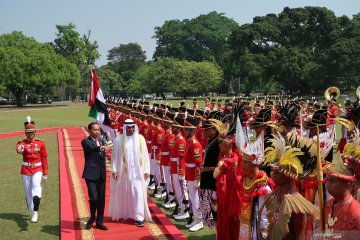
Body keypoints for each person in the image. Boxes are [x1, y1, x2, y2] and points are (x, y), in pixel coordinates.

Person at [109, 119, 152, 227]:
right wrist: (114, 170)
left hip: (138, 172)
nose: (131, 129)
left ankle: (139, 217)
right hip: (123, 171)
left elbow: (145, 155)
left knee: (137, 193)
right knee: (124, 192)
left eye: (133, 127)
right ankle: (126, 214)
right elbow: (114, 157)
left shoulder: (140, 139)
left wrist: (146, 170)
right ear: (124, 128)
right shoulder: (119, 139)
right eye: (128, 127)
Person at [16, 116, 48, 223]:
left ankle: (36, 208)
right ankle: (32, 208)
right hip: (26, 169)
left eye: (32, 132)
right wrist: (20, 149)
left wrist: (45, 172)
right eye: (28, 132)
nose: (30, 134)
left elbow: (44, 157)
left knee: (36, 185)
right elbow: (19, 149)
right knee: (28, 191)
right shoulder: (22, 143)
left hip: (38, 168)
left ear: (35, 132)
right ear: (25, 133)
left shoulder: (41, 143)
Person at [81, 122, 110, 230]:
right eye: (95, 130)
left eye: (98, 130)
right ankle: (92, 217)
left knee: (101, 199)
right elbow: (91, 149)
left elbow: (106, 148)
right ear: (89, 131)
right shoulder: (85, 141)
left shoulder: (102, 140)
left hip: (101, 174)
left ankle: (99, 222)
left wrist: (109, 147)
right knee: (93, 198)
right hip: (91, 174)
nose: (97, 132)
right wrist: (102, 148)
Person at [324, 153, 360, 239]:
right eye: (327, 180)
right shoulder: (329, 204)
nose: (327, 184)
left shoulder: (356, 212)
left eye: (332, 181)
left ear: (346, 185)